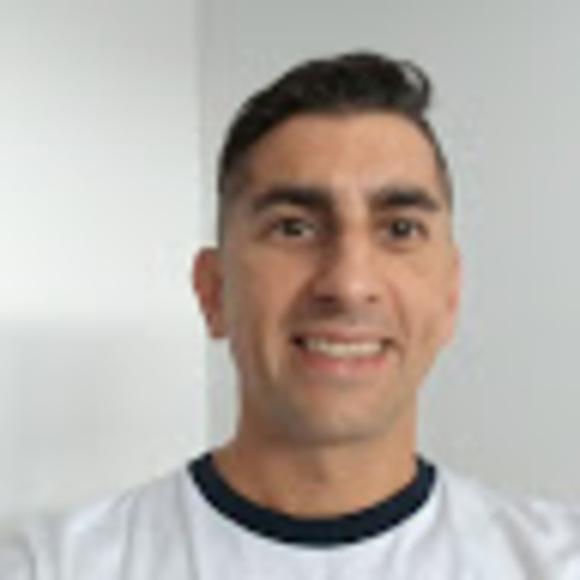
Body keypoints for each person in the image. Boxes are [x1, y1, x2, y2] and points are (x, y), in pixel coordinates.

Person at [1, 51, 579, 579]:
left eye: (400, 229)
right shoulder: (53, 567)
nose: (349, 285)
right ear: (213, 291)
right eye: (294, 228)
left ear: (450, 294)